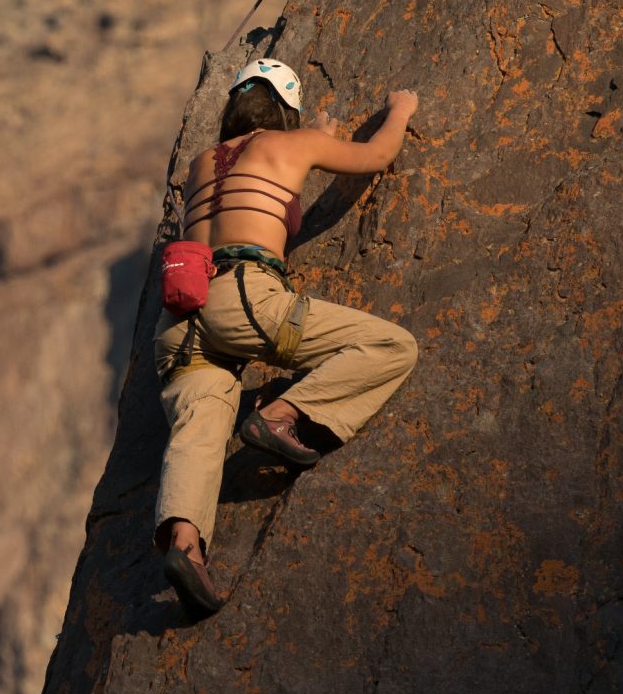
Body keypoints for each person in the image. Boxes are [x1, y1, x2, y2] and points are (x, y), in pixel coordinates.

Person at [154, 56, 422, 617]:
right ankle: (281, 416)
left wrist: (308, 139)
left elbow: (257, 203)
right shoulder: (290, 145)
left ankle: (185, 543)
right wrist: (400, 109)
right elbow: (375, 156)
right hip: (245, 298)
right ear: (284, 110)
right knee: (392, 345)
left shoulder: (202, 164)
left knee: (199, 427)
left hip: (180, 318)